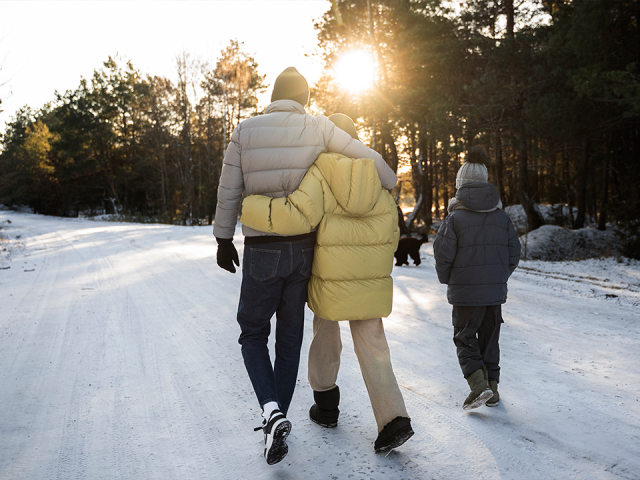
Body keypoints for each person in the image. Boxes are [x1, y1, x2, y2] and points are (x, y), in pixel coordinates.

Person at [213, 70, 397, 465]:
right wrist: (389, 180)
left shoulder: (245, 130)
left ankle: (271, 411)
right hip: (303, 250)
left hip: (262, 247)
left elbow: (229, 188)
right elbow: (368, 158)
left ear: (273, 96)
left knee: (252, 333)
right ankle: (277, 417)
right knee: (290, 338)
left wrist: (223, 237)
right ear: (304, 99)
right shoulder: (317, 127)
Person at [240, 113, 413, 453]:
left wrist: (251, 207)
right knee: (374, 346)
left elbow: (297, 215)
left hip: (328, 277)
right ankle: (394, 420)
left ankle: (326, 406)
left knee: (325, 336)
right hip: (369, 279)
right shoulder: (376, 176)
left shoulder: (321, 172)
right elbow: (393, 234)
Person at [432, 146, 520, 410]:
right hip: (494, 293)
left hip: (466, 294)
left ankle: (478, 386)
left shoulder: (454, 218)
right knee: (490, 339)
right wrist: (497, 277)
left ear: (460, 185)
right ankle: (492, 389)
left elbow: (442, 255)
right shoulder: (502, 217)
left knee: (465, 337)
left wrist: (450, 279)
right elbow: (514, 253)